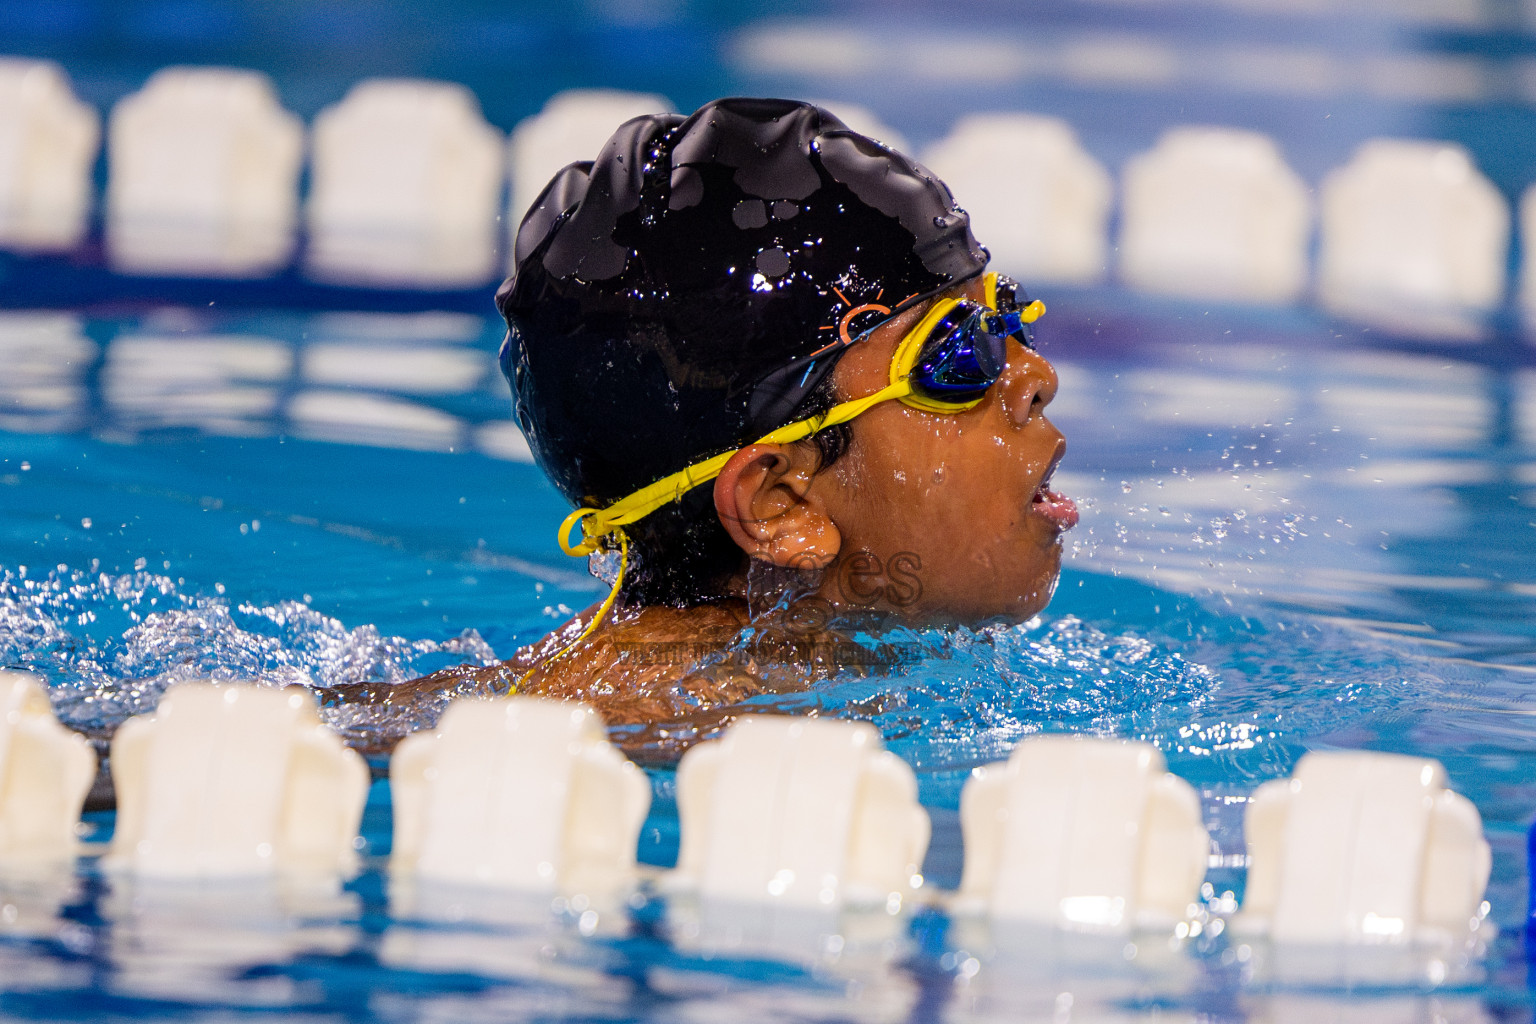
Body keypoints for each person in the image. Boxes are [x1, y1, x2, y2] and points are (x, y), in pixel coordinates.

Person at [397, 97, 1076, 758]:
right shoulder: (639, 730)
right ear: (779, 505)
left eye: (1006, 314)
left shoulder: (786, 680)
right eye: (961, 354)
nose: (1036, 374)